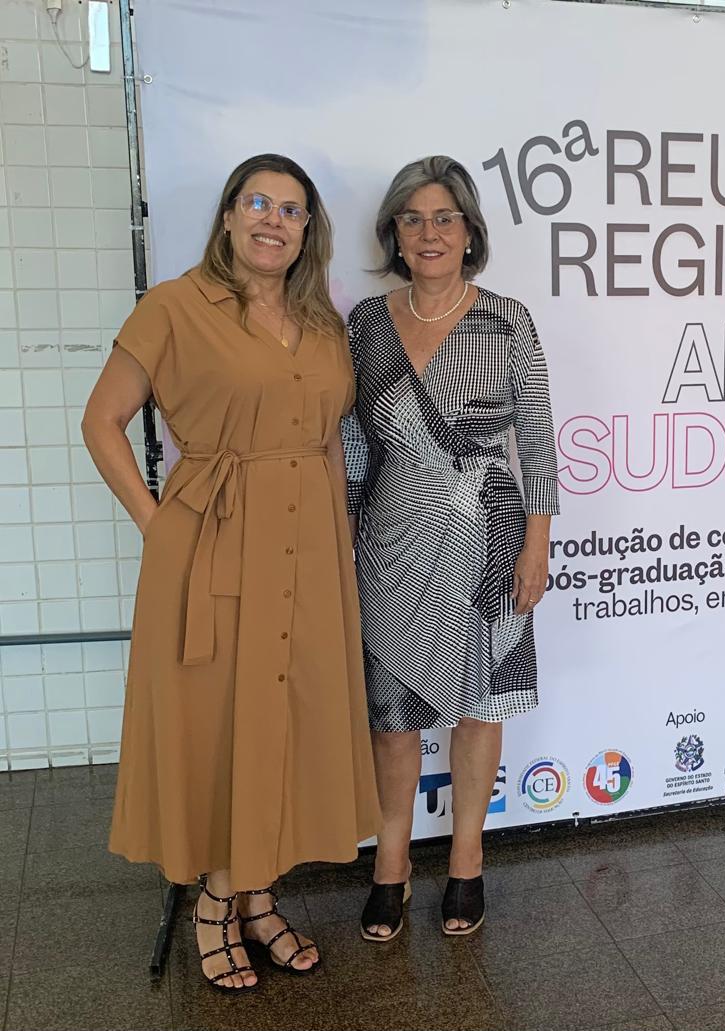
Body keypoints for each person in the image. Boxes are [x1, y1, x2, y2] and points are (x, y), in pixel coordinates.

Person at [81, 154, 380, 993]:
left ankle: (257, 892)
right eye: (257, 202)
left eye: (290, 209)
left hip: (308, 547)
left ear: (307, 231)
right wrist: (158, 526)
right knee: (219, 723)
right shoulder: (174, 307)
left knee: (287, 718)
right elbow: (101, 421)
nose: (272, 221)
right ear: (227, 215)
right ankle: (217, 898)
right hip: (212, 543)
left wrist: (337, 543)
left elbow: (326, 440)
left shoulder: (321, 322)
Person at [344, 155, 558, 940]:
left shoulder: (507, 320)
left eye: (443, 218)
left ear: (469, 232)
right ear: (394, 234)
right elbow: (353, 443)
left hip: (488, 541)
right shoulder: (366, 324)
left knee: (478, 706)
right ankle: (391, 864)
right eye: (412, 219)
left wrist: (536, 543)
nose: (428, 233)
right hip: (390, 542)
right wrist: (343, 543)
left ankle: (467, 860)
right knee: (392, 716)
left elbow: (538, 441)